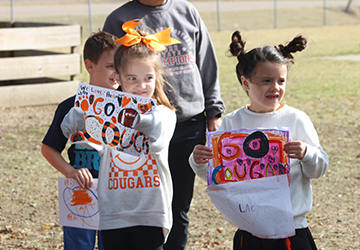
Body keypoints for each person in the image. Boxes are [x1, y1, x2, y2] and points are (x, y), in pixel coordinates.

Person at [189, 31, 329, 250]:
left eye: (281, 81)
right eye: (266, 81)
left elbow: (319, 168)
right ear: (246, 82)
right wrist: (198, 160)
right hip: (250, 230)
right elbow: (215, 176)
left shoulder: (296, 119)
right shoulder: (232, 123)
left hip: (292, 230)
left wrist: (307, 153)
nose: (275, 87)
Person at [102, 1, 226, 249]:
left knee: (178, 206)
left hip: (188, 126)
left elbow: (206, 61)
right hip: (139, 130)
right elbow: (108, 72)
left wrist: (213, 111)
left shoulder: (187, 11)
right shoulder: (119, 19)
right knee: (145, 207)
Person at [61, 21, 178, 250]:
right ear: (120, 79)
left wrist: (123, 119)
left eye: (148, 78)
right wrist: (82, 117)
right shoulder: (109, 111)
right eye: (132, 78)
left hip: (150, 212)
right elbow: (73, 130)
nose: (141, 86)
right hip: (113, 212)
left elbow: (155, 139)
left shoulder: (164, 113)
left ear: (157, 78)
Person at [41, 31, 120, 250]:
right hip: (80, 191)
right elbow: (48, 148)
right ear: (90, 66)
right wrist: (69, 171)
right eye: (110, 66)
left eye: (120, 66)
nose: (117, 73)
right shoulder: (70, 106)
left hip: (117, 193)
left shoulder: (128, 108)